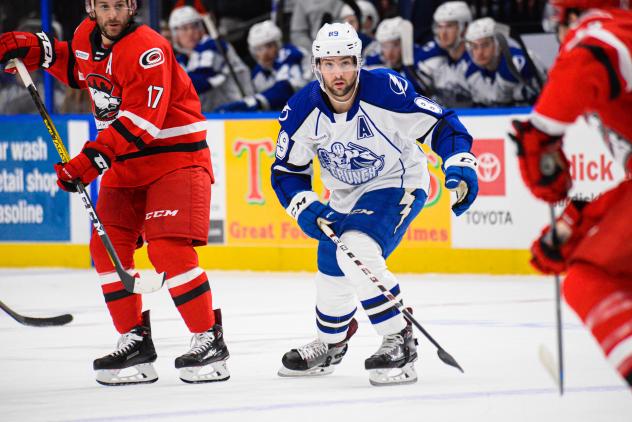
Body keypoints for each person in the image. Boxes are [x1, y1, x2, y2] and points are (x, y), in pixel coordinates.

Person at [0, 0, 230, 386]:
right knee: (106, 248)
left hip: (175, 158)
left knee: (167, 248)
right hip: (125, 165)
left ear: (132, 7)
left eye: (119, 6)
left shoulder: (149, 49)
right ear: (91, 7)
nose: (112, 15)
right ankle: (135, 341)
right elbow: (77, 67)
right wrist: (36, 49)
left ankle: (209, 338)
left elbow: (141, 121)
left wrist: (89, 162)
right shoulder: (85, 36)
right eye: (103, 5)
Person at [271, 22, 478, 385]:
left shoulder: (385, 90)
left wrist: (459, 161)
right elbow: (286, 170)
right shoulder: (302, 108)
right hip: (344, 195)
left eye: (346, 63)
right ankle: (330, 342)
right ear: (317, 67)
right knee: (330, 259)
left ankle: (398, 336)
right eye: (330, 64)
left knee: (355, 246)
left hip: (396, 183)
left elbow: (442, 123)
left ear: (359, 62)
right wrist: (304, 205)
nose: (338, 73)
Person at [509, 0, 632, 387]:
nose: (559, 36)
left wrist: (542, 131)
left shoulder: (604, 29)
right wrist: (576, 223)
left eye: (559, 24)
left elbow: (595, 49)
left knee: (590, 277)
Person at [168, 5, 252, 112]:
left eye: (194, 26)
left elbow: (197, 82)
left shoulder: (214, 46)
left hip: (239, 114)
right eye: (184, 28)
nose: (190, 32)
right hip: (213, 118)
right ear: (175, 34)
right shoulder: (181, 60)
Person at [214, 20, 310, 112]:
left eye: (269, 46)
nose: (265, 54)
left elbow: (285, 89)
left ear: (278, 44)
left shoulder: (293, 55)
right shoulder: (257, 73)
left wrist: (253, 102)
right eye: (258, 49)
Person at [464, 17, 545, 106]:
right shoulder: (472, 72)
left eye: (485, 45)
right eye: (475, 47)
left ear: (498, 43)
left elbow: (502, 99)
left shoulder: (515, 61)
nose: (480, 52)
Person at [416, 1, 473, 107]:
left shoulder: (477, 58)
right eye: (440, 26)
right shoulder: (431, 57)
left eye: (449, 26)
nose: (443, 33)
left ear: (465, 27)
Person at [365, 17, 433, 96]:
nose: (390, 53)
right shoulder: (372, 63)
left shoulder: (422, 60)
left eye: (395, 45)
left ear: (405, 42)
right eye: (385, 46)